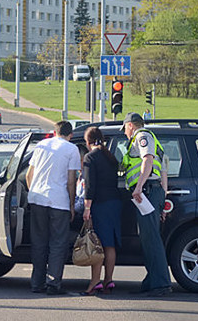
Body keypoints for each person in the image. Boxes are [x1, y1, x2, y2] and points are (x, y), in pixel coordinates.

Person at [26, 121, 81, 295]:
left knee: (39, 242)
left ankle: (37, 283)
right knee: (58, 244)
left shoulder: (41, 145)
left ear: (54, 132)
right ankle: (53, 283)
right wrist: (72, 205)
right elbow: (71, 180)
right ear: (70, 135)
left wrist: (33, 192)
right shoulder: (71, 149)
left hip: (37, 199)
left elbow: (29, 174)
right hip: (59, 201)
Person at [121, 112, 172, 297]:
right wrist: (163, 200)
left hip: (147, 191)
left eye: (125, 128)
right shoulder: (155, 141)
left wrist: (139, 187)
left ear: (131, 126)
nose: (125, 133)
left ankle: (160, 284)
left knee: (151, 240)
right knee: (149, 238)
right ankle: (152, 282)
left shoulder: (142, 136)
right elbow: (164, 171)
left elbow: (147, 160)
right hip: (154, 192)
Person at [80, 127, 121, 296]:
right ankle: (108, 280)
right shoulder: (110, 157)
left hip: (100, 204)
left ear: (88, 142)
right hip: (115, 203)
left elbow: (90, 186)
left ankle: (94, 282)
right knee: (110, 244)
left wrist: (87, 208)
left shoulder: (90, 157)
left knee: (97, 244)